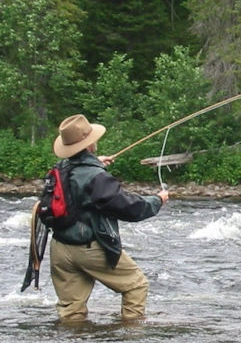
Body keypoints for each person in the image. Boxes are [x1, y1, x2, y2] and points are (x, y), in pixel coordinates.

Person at [48, 113, 170, 322]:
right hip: (89, 247)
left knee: (71, 310)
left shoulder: (60, 169)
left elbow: (80, 181)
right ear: (89, 144)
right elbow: (127, 207)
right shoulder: (96, 177)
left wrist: (95, 163)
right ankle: (129, 336)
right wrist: (157, 201)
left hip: (60, 247)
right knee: (136, 285)